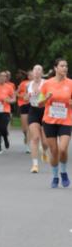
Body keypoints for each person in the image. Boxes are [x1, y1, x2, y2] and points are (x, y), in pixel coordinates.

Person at [39, 58, 72, 188]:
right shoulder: (47, 83)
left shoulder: (70, 83)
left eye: (66, 66)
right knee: (54, 151)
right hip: (49, 121)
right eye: (62, 66)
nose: (65, 68)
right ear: (56, 68)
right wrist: (46, 98)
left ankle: (63, 172)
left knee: (63, 149)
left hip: (66, 121)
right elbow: (39, 103)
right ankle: (55, 176)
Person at [27, 64, 46, 173]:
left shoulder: (46, 83)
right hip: (33, 111)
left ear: (42, 73)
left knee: (45, 142)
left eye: (39, 69)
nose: (37, 71)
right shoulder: (29, 84)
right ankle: (35, 165)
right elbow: (25, 98)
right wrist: (28, 96)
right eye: (35, 69)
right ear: (32, 73)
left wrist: (42, 94)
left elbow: (50, 95)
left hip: (44, 111)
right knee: (35, 138)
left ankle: (44, 151)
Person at [15, 70, 31, 151]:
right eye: (29, 75)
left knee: (29, 127)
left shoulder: (38, 83)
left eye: (32, 74)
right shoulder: (23, 83)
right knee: (24, 128)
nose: (31, 76)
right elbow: (16, 93)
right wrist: (22, 95)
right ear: (28, 76)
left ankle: (28, 146)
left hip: (33, 105)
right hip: (23, 105)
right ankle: (25, 135)